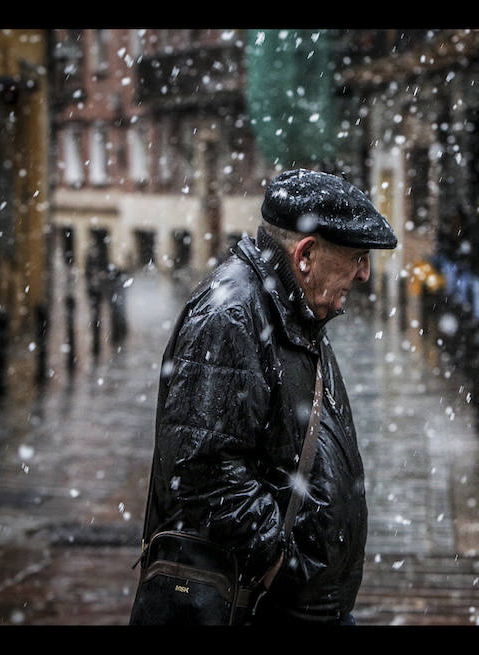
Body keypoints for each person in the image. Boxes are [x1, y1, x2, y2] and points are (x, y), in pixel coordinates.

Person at [135, 168, 397, 624]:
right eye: (356, 256)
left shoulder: (294, 307)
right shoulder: (232, 315)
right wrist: (281, 559)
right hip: (258, 601)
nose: (364, 273)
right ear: (307, 255)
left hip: (300, 603)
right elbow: (203, 467)